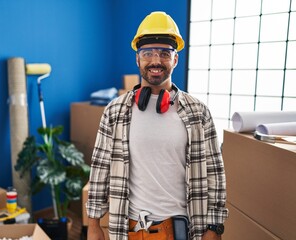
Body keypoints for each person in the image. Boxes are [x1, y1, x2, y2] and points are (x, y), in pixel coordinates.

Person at [86, 11, 229, 240]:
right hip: (129, 231)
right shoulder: (115, 112)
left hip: (182, 231)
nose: (155, 61)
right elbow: (99, 171)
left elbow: (215, 174)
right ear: (137, 58)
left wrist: (215, 228)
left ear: (175, 59)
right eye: (148, 53)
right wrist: (93, 227)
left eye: (164, 53)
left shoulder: (198, 113)